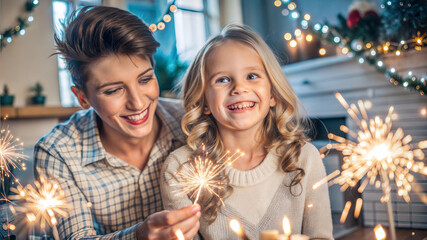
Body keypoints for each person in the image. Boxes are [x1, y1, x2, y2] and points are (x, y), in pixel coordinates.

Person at [34, 6, 200, 240]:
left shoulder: (191, 123)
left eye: (145, 79)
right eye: (113, 90)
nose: (137, 102)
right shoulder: (57, 152)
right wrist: (139, 236)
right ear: (82, 97)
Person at [160, 24, 333, 240]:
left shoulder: (304, 158)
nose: (239, 88)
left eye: (252, 76)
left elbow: (321, 237)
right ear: (203, 101)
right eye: (222, 79)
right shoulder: (180, 169)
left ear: (272, 94)